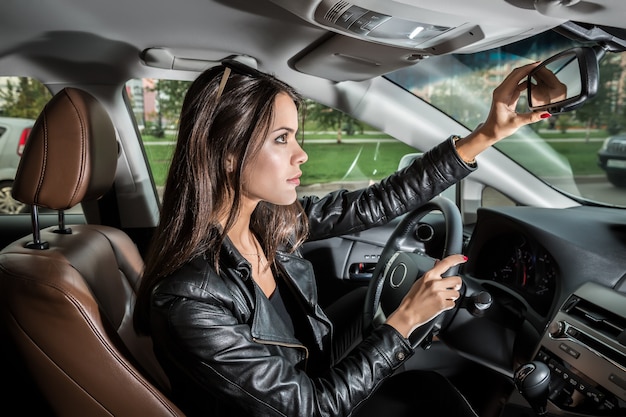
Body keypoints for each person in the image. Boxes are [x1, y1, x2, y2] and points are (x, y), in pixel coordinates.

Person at [134, 59, 550, 417]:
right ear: (226, 153)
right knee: (431, 398)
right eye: (282, 138)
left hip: (315, 373)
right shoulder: (190, 301)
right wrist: (404, 322)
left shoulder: (266, 223)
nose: (302, 154)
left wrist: (487, 134)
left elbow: (374, 203)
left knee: (422, 383)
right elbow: (311, 409)